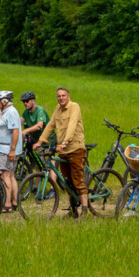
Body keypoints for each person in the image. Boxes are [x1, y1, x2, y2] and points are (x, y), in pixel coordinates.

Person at [36, 87, 89, 217]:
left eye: (63, 95)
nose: (61, 98)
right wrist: (40, 141)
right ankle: (73, 211)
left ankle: (84, 211)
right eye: (59, 96)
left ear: (68, 97)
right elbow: (50, 125)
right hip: (63, 151)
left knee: (78, 181)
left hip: (75, 148)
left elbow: (72, 125)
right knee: (67, 182)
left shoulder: (74, 107)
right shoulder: (57, 109)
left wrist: (65, 142)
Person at [0, 91, 23, 211]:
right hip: (6, 149)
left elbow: (15, 131)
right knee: (10, 175)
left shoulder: (11, 112)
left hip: (7, 149)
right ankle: (14, 202)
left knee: (5, 175)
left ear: (4, 101)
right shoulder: (6, 112)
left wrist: (12, 150)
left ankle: (7, 204)